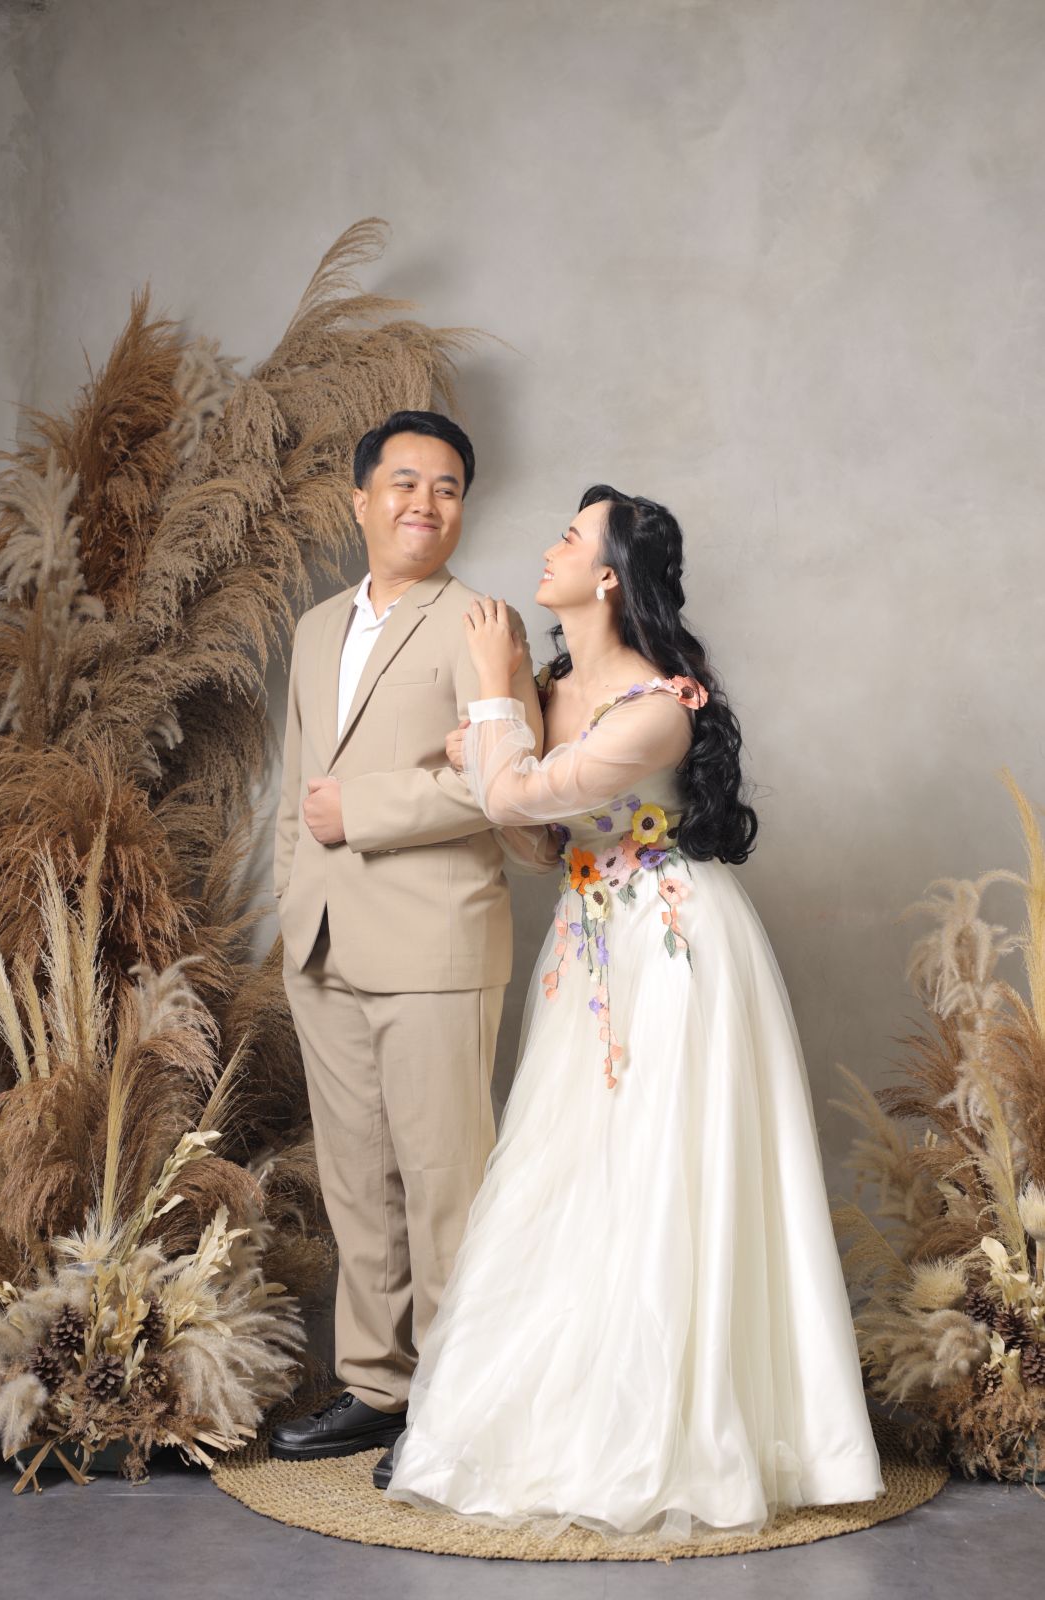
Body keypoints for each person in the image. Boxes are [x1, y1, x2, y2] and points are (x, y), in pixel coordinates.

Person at [378, 484, 886, 1542]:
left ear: (607, 577)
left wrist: (489, 698)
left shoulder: (660, 704)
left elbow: (513, 793)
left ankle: (678, 1432)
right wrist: (504, 719)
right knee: (569, 1169)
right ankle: (561, 1421)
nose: (549, 547)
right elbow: (533, 841)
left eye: (571, 536)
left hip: (672, 948)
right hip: (586, 948)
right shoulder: (552, 691)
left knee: (665, 1169)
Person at [269, 411, 543, 1463]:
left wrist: (366, 810)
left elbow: (509, 785)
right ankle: (376, 1387)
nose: (425, 502)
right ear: (361, 501)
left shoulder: (482, 624)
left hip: (434, 942)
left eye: (447, 487)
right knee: (356, 1182)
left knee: (443, 1184)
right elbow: (296, 790)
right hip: (323, 945)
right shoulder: (313, 629)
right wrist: (292, 905)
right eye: (404, 483)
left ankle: (454, 1402)